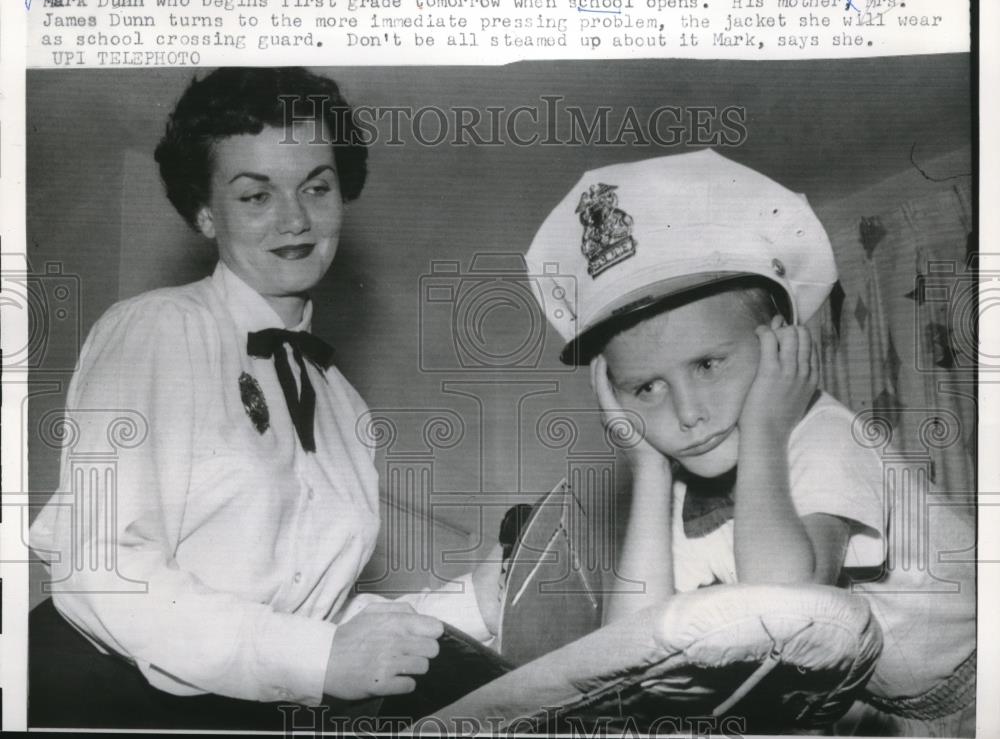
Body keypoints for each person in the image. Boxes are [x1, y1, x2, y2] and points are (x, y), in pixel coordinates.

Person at [28, 67, 497, 728]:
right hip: (88, 699)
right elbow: (101, 570)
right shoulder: (159, 329)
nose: (296, 219)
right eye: (255, 195)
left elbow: (310, 621)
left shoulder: (343, 405)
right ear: (203, 212)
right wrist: (317, 658)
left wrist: (476, 601)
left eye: (317, 186)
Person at [524, 149, 976, 737]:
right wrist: (650, 470)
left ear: (781, 346)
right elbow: (630, 654)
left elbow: (787, 601)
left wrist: (763, 426)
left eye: (709, 364)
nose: (687, 414)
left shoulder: (825, 435)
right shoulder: (686, 481)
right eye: (646, 387)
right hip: (893, 709)